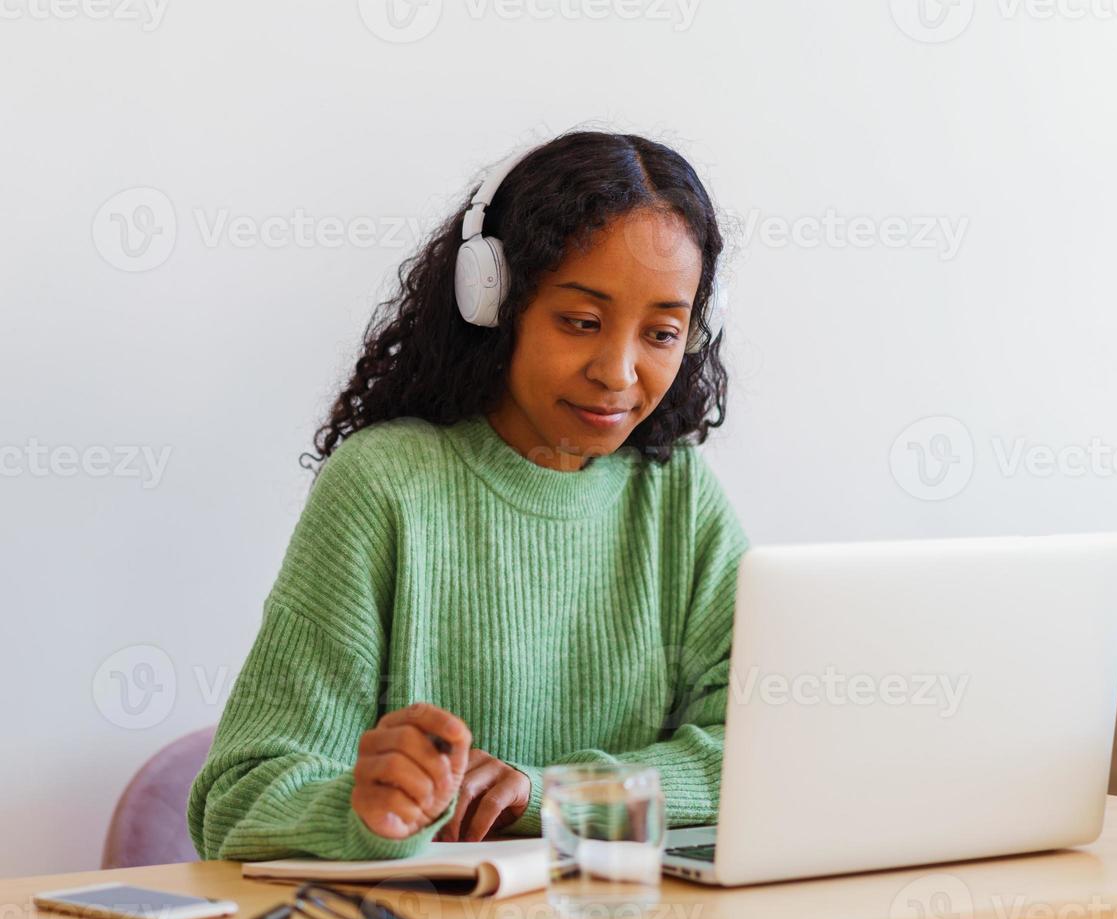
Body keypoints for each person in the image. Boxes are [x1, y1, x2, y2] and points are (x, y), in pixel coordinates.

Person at [186, 129, 750, 860]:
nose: (617, 372)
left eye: (662, 333)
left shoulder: (677, 496)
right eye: (580, 322)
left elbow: (760, 752)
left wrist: (546, 793)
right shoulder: (387, 485)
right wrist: (368, 812)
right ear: (491, 299)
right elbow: (239, 801)